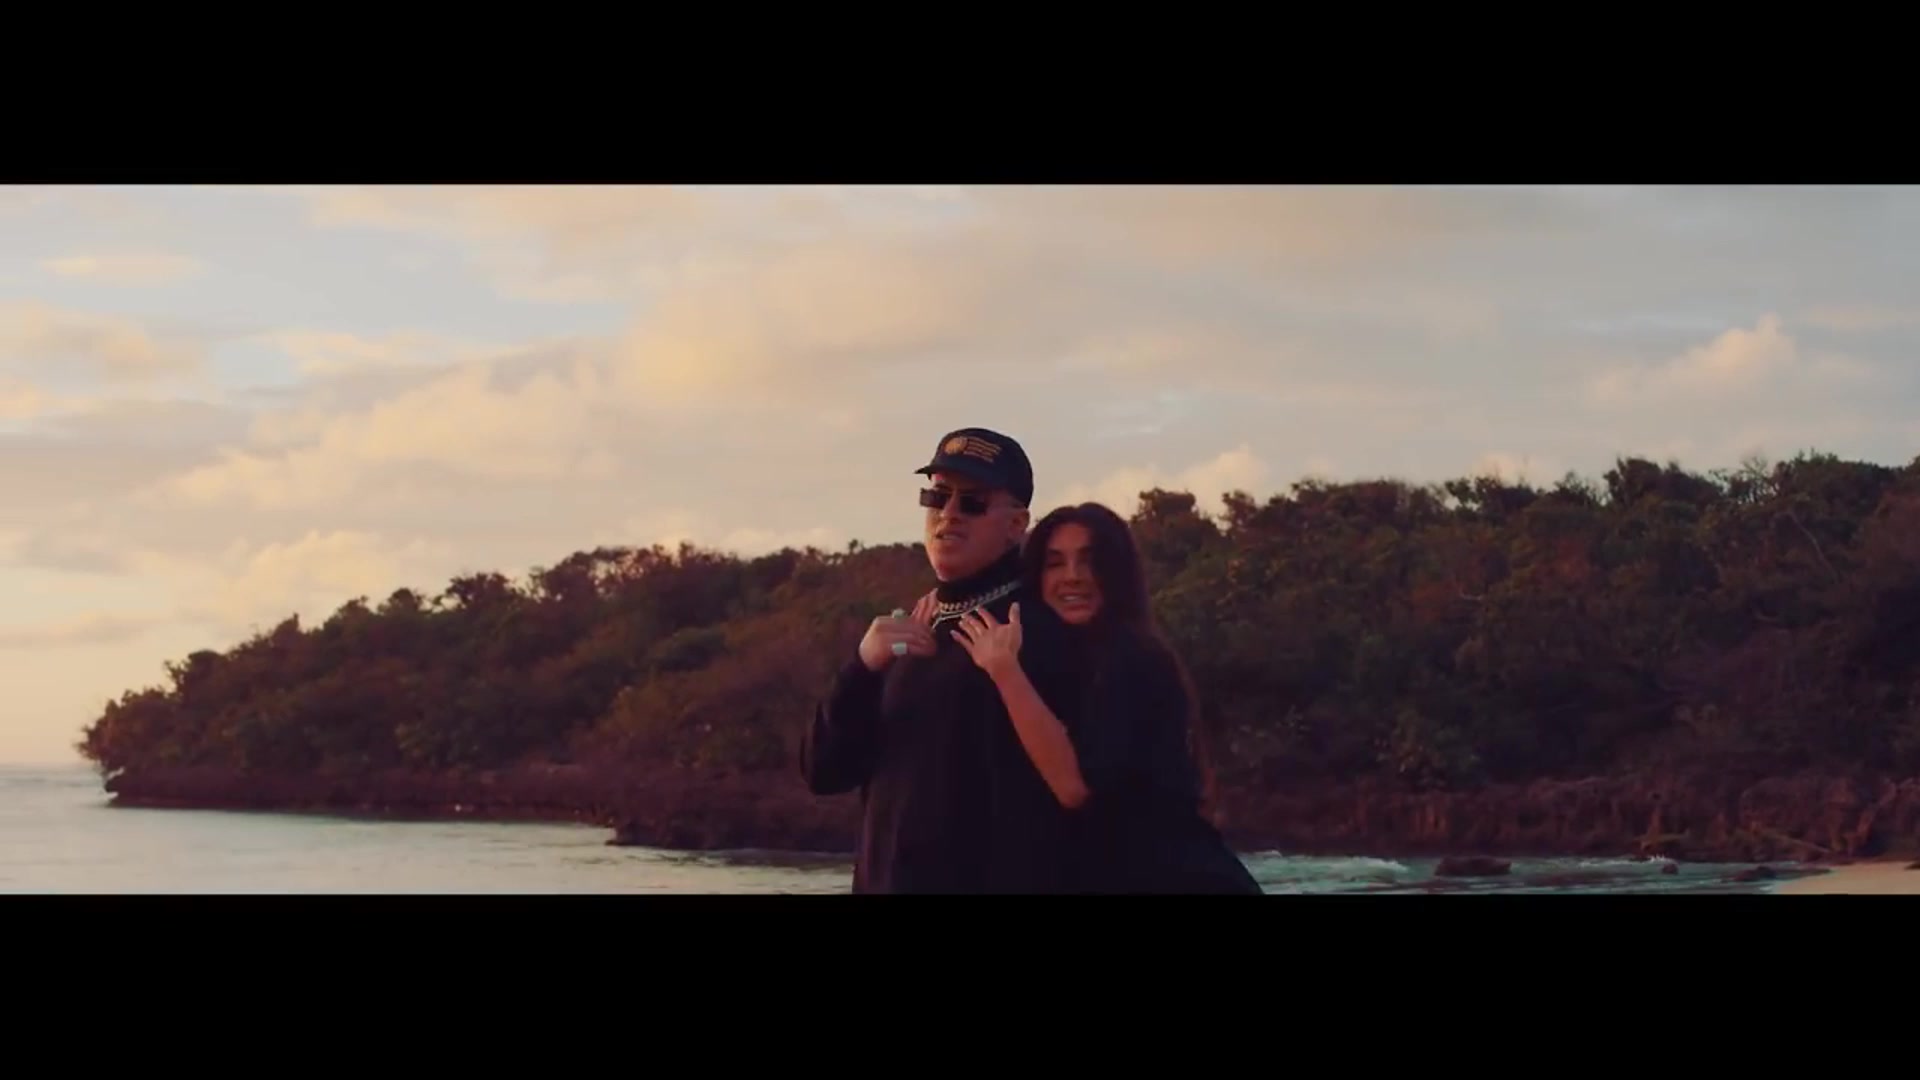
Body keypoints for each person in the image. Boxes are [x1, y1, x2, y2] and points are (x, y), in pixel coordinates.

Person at [799, 427, 1083, 893]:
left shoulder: (1034, 630)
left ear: (1016, 525)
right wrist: (862, 669)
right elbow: (824, 772)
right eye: (936, 496)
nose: (949, 514)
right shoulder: (908, 631)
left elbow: (1078, 792)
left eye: (972, 502)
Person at [947, 501, 1263, 894]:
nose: (1073, 577)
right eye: (1055, 563)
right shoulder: (1077, 661)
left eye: (1091, 561)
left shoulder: (1132, 656)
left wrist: (1004, 671)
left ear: (1118, 573)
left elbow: (1076, 787)